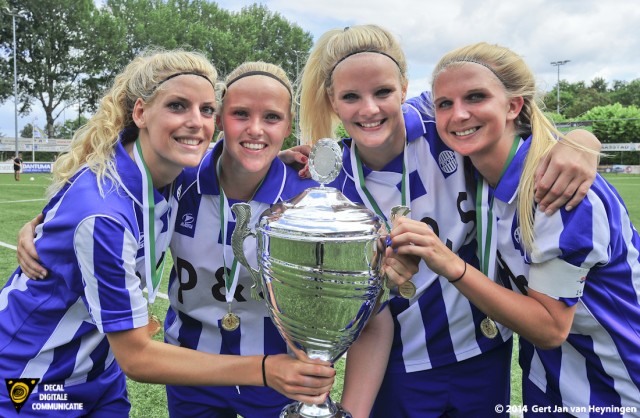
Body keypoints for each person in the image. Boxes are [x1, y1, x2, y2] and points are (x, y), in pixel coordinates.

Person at [1, 50, 334, 418]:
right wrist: (265, 370)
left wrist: (271, 158)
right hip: (34, 376)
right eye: (178, 106)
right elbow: (138, 356)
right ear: (140, 112)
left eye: (206, 110)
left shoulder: (169, 177)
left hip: (100, 370)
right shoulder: (111, 209)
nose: (195, 121)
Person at [297, 25, 602, 418]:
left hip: (485, 352)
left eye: (383, 92)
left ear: (404, 88)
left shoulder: (447, 126)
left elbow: (519, 120)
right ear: (332, 102)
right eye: (351, 97)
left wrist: (581, 142)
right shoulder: (331, 185)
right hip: (400, 366)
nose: (369, 109)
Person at [388, 42, 640, 417]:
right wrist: (315, 154)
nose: (458, 114)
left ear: (513, 105)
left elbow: (551, 328)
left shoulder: (558, 191)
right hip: (545, 381)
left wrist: (449, 263)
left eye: (476, 97)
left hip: (614, 389)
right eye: (445, 104)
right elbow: (379, 115)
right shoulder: (478, 171)